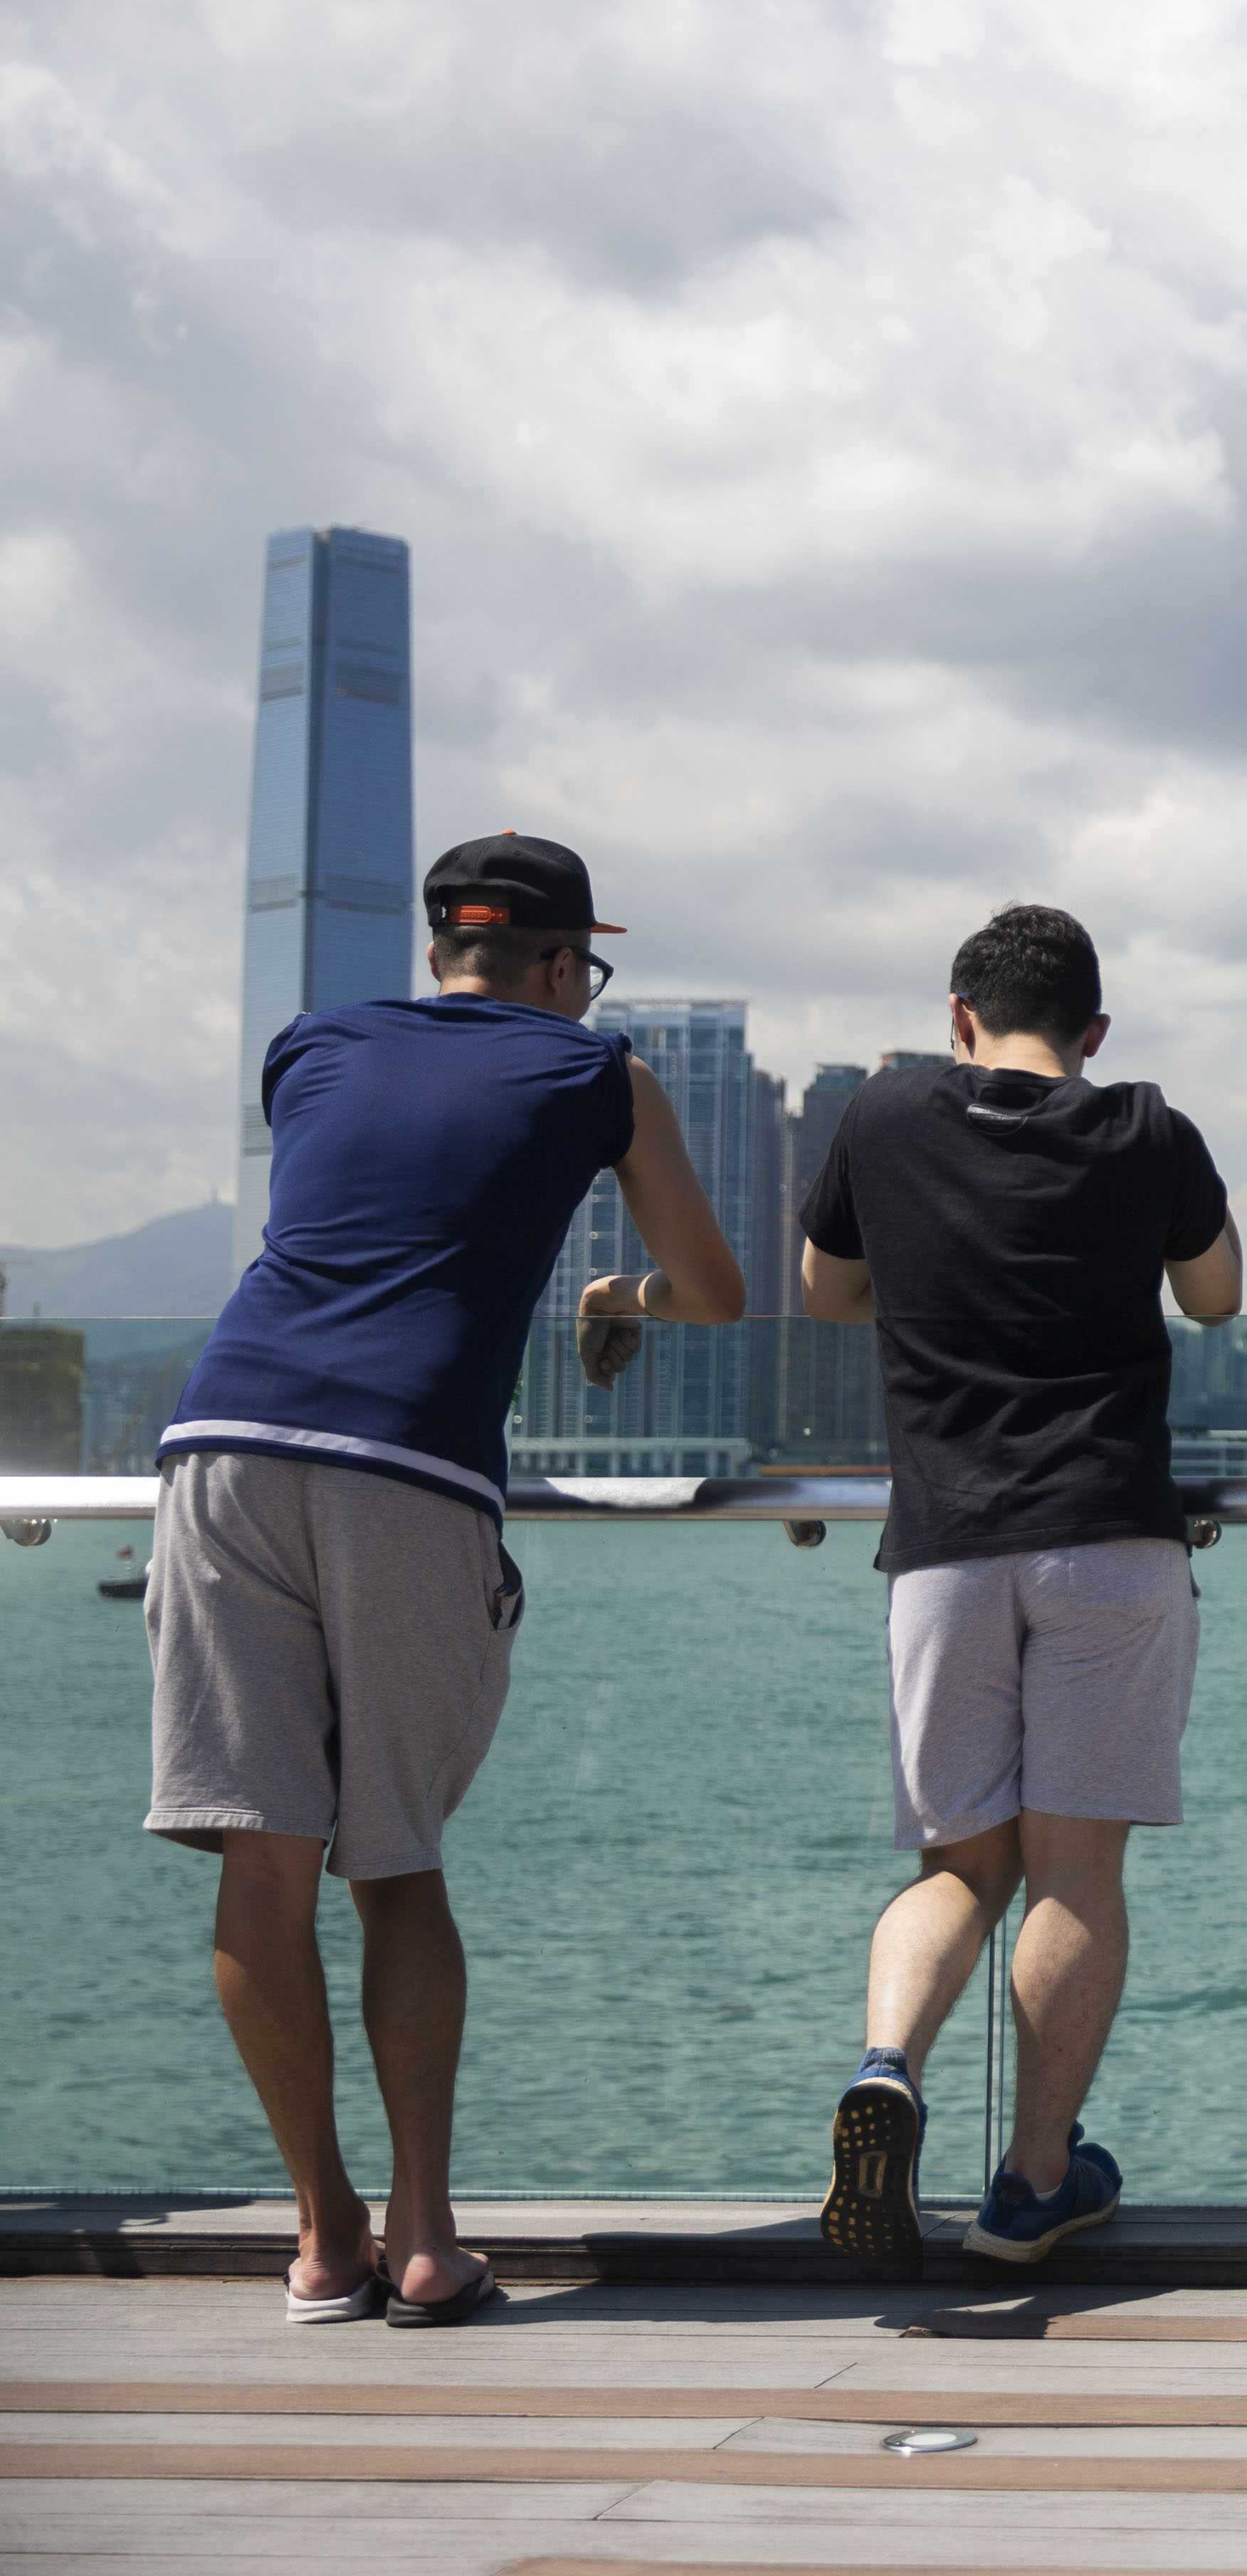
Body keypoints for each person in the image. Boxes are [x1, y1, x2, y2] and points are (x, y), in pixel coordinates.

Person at [147, 833, 745, 2328]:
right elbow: (722, 1292)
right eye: (584, 972)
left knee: (260, 1861)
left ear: (436, 954)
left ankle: (322, 2238)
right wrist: (621, 1297)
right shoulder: (596, 1075)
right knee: (393, 1863)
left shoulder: (313, 1047)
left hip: (218, 1443)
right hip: (405, 1462)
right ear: (560, 967)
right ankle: (425, 2238)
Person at [801, 904, 1240, 2267]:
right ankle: (1034, 2182)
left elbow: (826, 1292)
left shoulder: (881, 1118)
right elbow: (1217, 1295)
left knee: (958, 1865)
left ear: (958, 1018)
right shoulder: (1149, 1128)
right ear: (1096, 1033)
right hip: (1109, 1535)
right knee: (1074, 1869)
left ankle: (886, 2068)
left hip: (942, 1547)